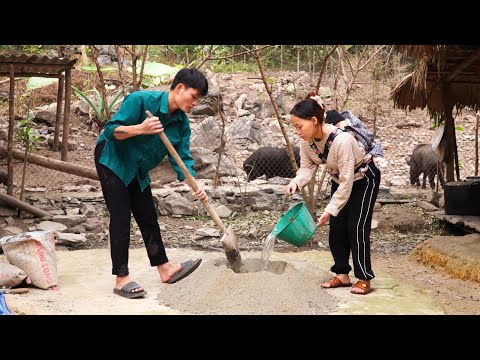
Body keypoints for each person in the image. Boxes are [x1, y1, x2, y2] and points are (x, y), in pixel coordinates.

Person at [94, 68, 208, 299]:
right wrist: (141, 129)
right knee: (121, 215)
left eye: (199, 99)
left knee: (147, 214)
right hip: (113, 160)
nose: (195, 103)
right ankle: (121, 278)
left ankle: (164, 268)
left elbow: (183, 159)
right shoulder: (140, 100)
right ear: (179, 88)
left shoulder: (181, 124)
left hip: (138, 168)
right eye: (193, 96)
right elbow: (111, 131)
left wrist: (195, 184)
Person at [284, 93, 380, 295]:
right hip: (340, 179)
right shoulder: (307, 142)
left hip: (363, 178)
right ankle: (342, 274)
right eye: (294, 127)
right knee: (336, 227)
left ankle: (364, 278)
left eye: (299, 126)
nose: (297, 132)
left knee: (357, 227)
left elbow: (348, 181)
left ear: (314, 120)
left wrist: (330, 209)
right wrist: (296, 182)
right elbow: (307, 168)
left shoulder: (342, 140)